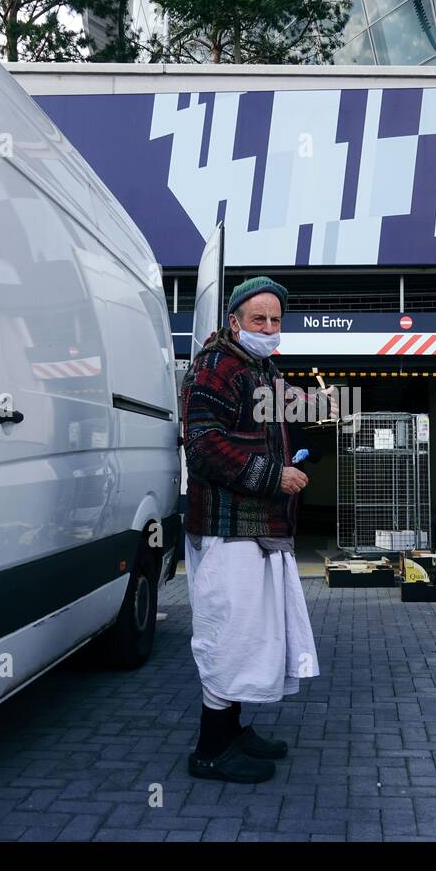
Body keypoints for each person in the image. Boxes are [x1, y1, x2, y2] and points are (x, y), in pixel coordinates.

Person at [179, 276, 323, 783]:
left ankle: (233, 730)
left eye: (275, 320)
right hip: (228, 529)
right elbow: (202, 444)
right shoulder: (216, 366)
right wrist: (272, 475)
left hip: (256, 528)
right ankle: (211, 750)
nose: (268, 327)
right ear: (234, 320)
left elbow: (268, 431)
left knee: (248, 633)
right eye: (258, 318)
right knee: (229, 634)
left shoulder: (260, 367)